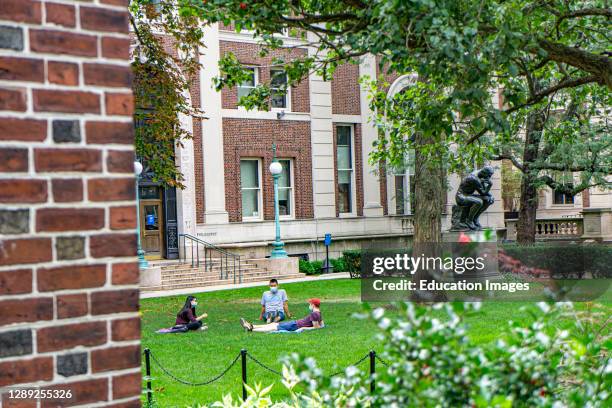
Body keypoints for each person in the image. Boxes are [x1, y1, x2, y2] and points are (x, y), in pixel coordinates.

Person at [241, 298, 323, 333]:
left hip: (296, 326)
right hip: (295, 323)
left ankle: (251, 329)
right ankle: (251, 326)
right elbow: (321, 324)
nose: (309, 305)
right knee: (273, 324)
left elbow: (316, 327)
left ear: (313, 305)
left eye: (310, 303)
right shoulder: (318, 312)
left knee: (274, 327)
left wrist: (303, 328)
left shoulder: (314, 314)